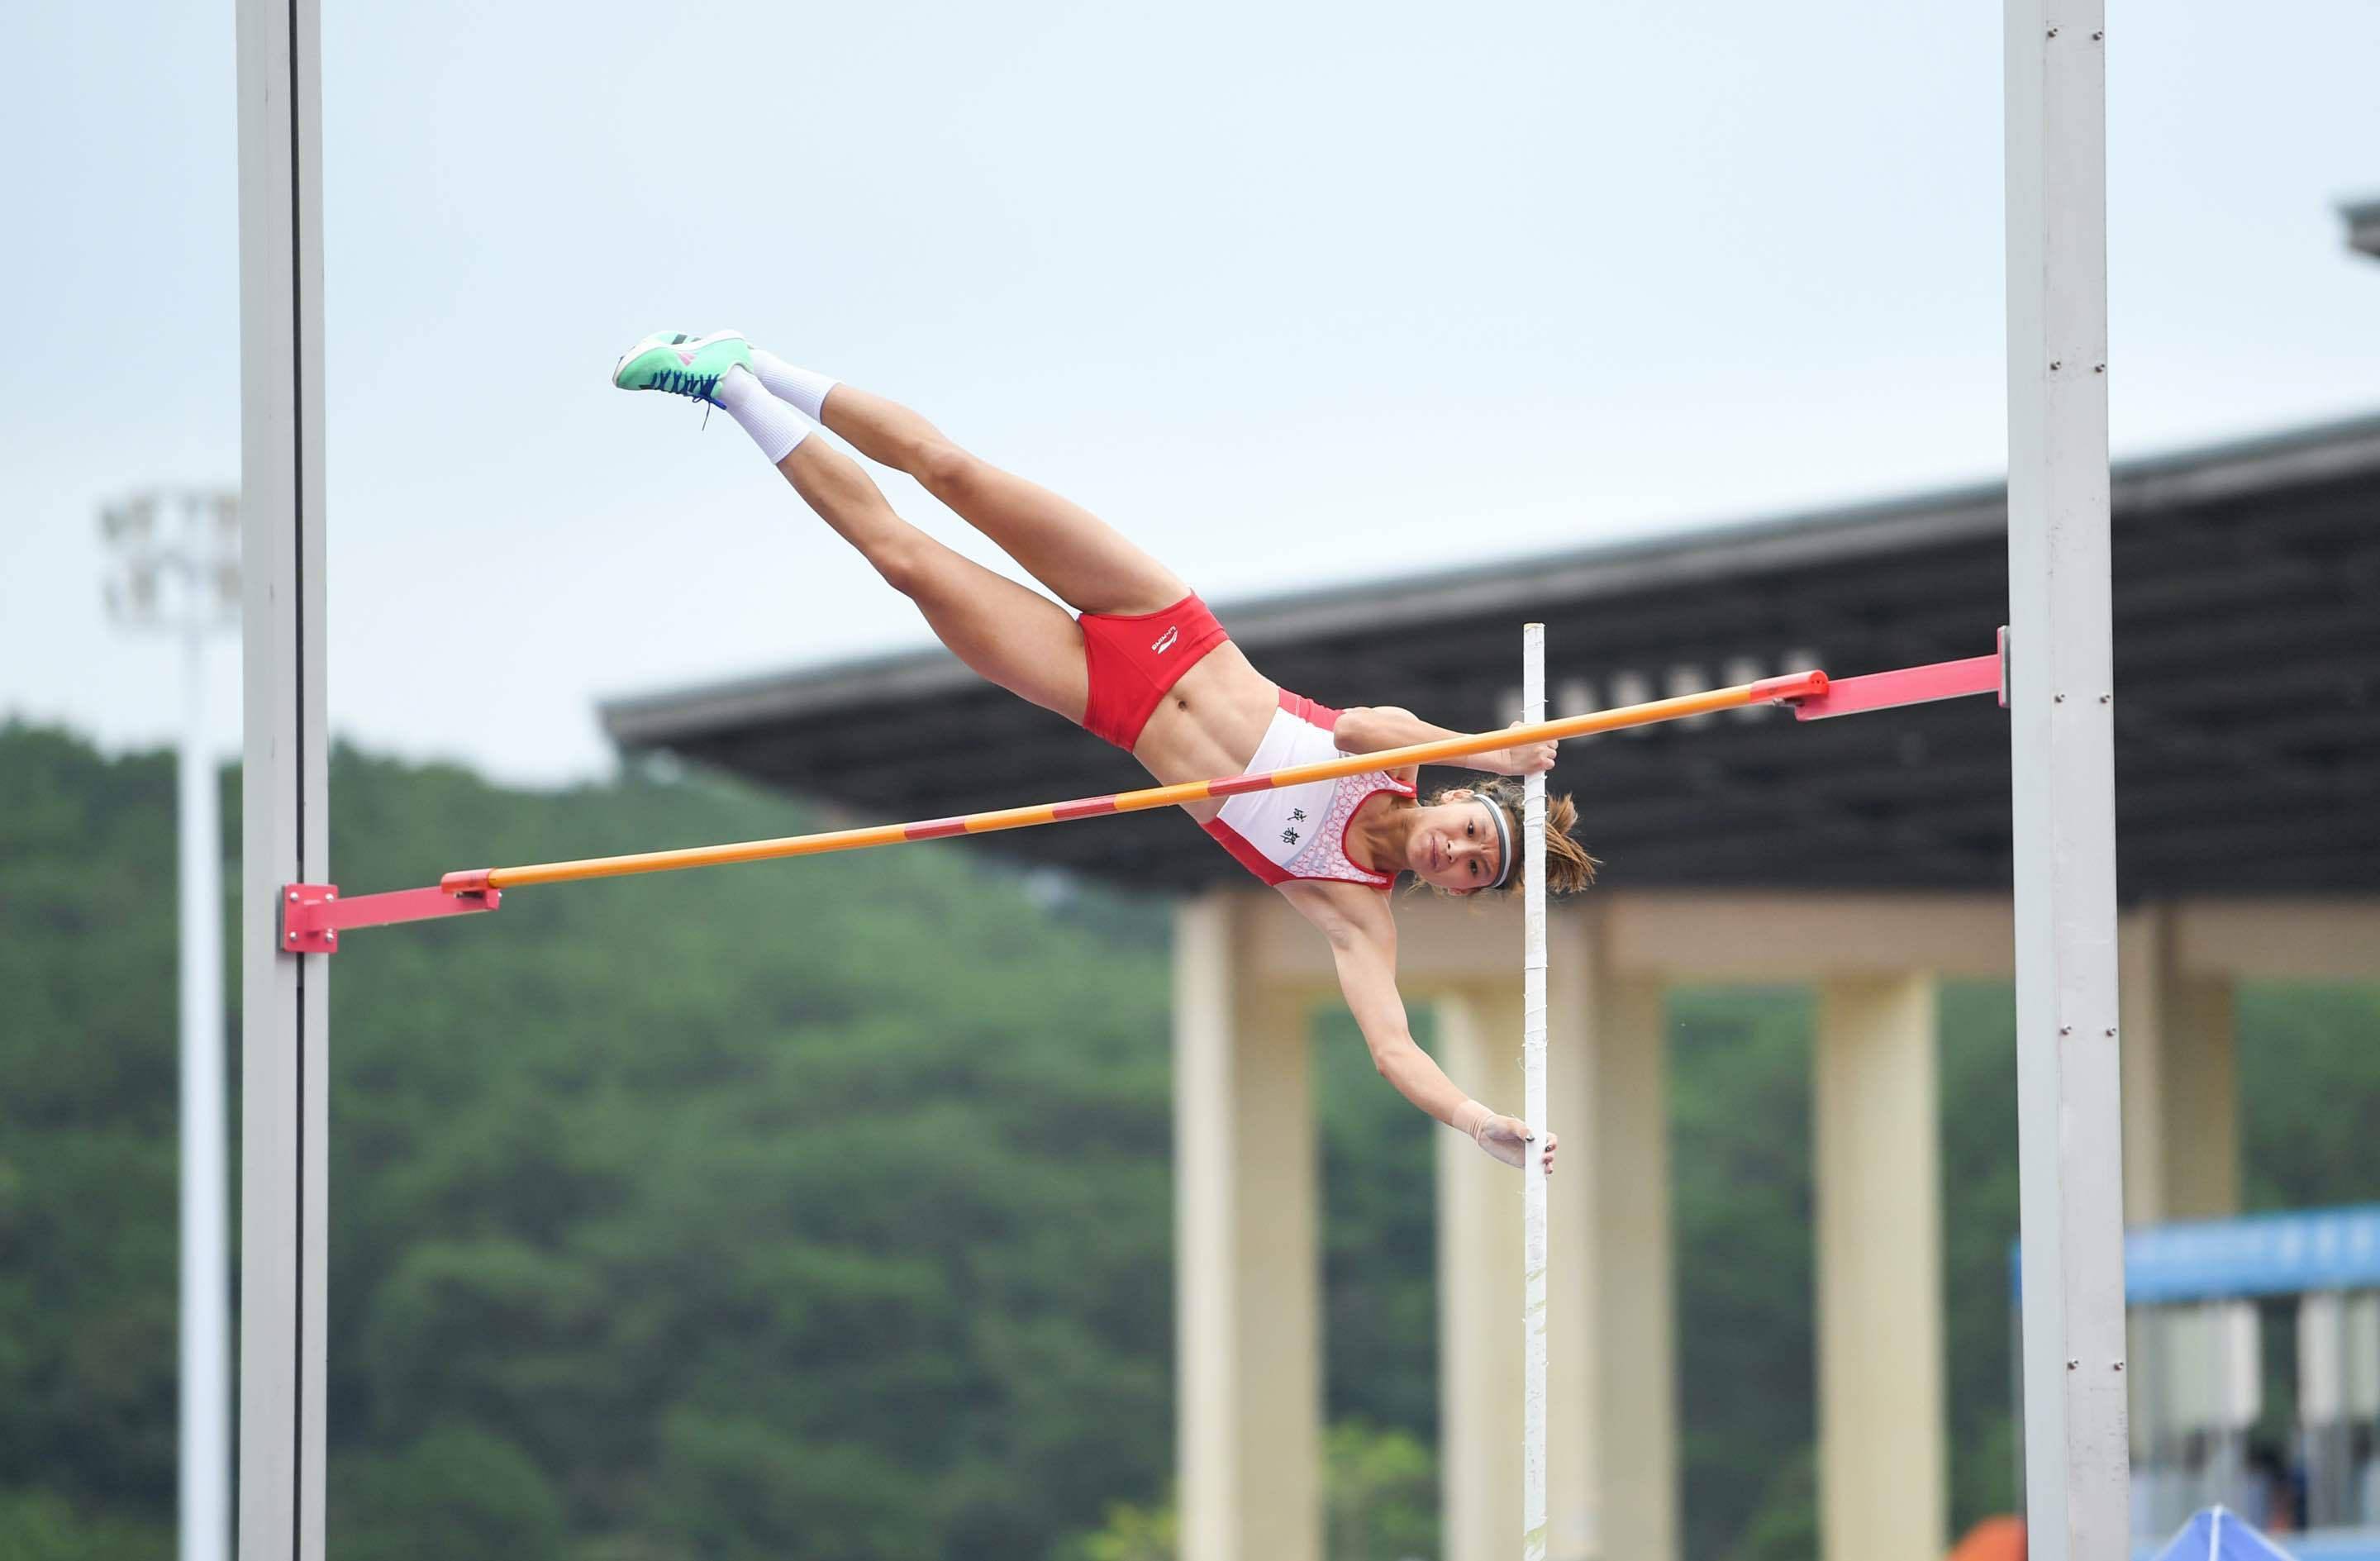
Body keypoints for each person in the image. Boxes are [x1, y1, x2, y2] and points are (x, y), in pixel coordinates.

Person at [614, 331, 1601, 1173]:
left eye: (1471, 870)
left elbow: (1392, 1048)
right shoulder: (1398, 759)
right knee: (950, 472)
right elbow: (1349, 726)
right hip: (1161, 618)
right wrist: (1500, 753)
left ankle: (729, 389)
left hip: (1106, 702)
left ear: (1463, 895)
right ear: (1462, 798)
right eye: (1470, 829)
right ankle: (770, 364)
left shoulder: (1353, 909)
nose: (1454, 852)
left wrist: (1477, 1120)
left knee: (905, 562)